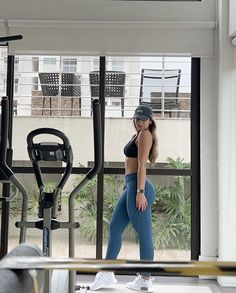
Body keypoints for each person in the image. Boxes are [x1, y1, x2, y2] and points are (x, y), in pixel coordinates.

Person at [89, 104, 158, 292]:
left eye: (143, 119)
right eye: (136, 119)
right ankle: (107, 273)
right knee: (115, 227)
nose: (139, 122)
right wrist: (129, 186)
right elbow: (131, 164)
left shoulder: (145, 135)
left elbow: (142, 166)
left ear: (150, 120)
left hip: (139, 188)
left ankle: (146, 279)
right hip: (131, 186)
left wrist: (140, 192)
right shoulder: (137, 134)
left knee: (143, 234)